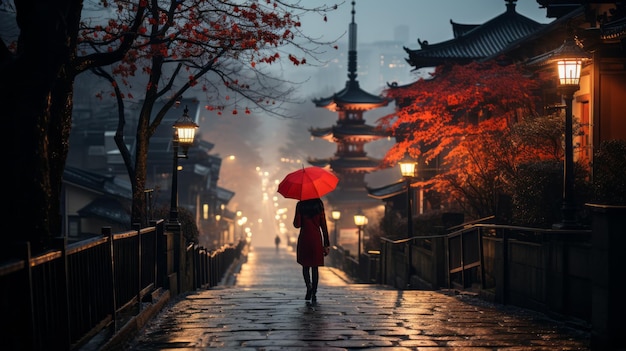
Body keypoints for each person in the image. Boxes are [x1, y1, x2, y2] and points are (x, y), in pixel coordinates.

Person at [293, 198, 330, 303]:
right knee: (315, 267)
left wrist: (298, 211)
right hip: (316, 239)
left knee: (305, 266)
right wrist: (326, 244)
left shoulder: (301, 205)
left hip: (305, 238)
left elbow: (297, 224)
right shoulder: (319, 204)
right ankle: (314, 291)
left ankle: (308, 286)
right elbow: (323, 225)